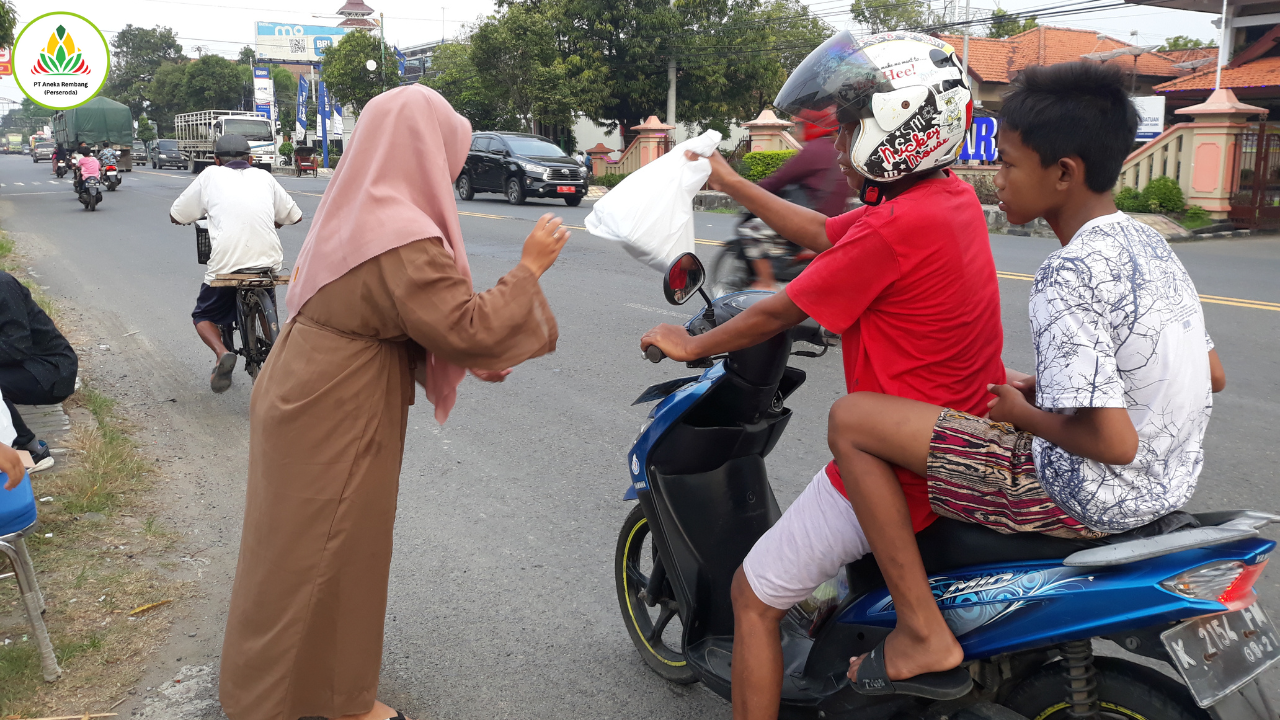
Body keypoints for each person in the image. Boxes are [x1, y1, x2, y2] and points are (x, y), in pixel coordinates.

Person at [826, 61, 1227, 694]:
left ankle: (918, 631)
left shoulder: (1066, 274)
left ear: (1062, 173)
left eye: (1009, 164)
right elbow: (1212, 373)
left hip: (1083, 495)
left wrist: (1025, 415)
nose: (995, 178)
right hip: (1165, 486)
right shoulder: (1149, 246)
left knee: (852, 420)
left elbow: (1114, 444)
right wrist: (1058, 389)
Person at [640, 31, 1004, 718]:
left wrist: (692, 347)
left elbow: (774, 312)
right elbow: (827, 234)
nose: (838, 148)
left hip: (895, 466)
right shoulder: (946, 202)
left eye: (851, 130)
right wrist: (731, 181)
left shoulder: (891, 228)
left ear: (899, 128)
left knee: (752, 595)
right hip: (950, 438)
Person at [217, 85, 568, 720]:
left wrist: (461, 349)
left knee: (292, 551)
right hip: (339, 404)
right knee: (333, 552)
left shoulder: (356, 206)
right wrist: (529, 270)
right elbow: (463, 326)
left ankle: (283, 691)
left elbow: (403, 315)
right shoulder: (403, 233)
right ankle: (325, 703)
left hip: (307, 381)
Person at [168, 134, 303, 393]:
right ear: (251, 160)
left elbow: (177, 214)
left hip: (226, 264)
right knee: (266, 290)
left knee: (203, 315)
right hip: (267, 261)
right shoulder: (264, 176)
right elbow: (293, 217)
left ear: (217, 160)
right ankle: (276, 349)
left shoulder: (209, 176)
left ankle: (221, 353)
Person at [746, 109, 850, 290]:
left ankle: (765, 282)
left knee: (750, 230)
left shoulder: (814, 150)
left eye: (800, 125)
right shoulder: (838, 151)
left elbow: (779, 179)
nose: (797, 131)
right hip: (832, 226)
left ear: (811, 126)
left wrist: (751, 192)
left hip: (807, 223)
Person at [0, 272, 78, 473]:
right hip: (23, 364)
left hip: (49, 369)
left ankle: (32, 450)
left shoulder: (3, 286)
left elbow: (17, 348)